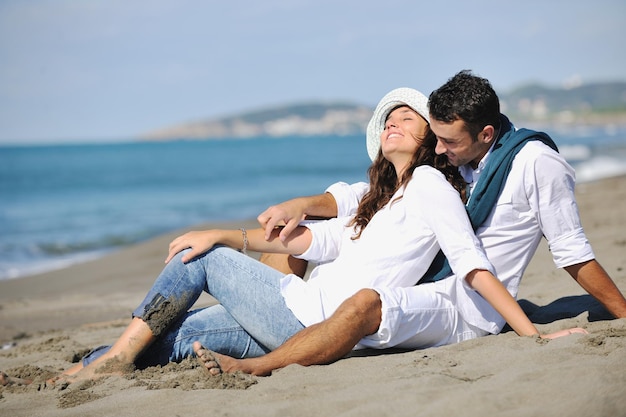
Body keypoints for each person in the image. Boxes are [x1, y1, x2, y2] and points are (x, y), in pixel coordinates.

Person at [1, 87, 578, 387]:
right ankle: (91, 367)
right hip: (295, 318)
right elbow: (321, 244)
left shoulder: (429, 183)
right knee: (184, 334)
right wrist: (248, 239)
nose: (394, 123)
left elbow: (471, 264)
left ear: (431, 137)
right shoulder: (380, 196)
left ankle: (113, 360)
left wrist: (527, 334)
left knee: (193, 257)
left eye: (407, 117)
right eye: (389, 120)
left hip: (306, 317)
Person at [193, 70, 625, 377]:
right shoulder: (466, 161)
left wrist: (617, 316)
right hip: (432, 289)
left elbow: (571, 251)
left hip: (469, 308)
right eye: (434, 137)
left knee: (363, 302)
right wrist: (301, 205)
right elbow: (359, 199)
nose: (439, 149)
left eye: (447, 141)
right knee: (208, 322)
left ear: (487, 133)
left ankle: (257, 366)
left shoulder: (535, 164)